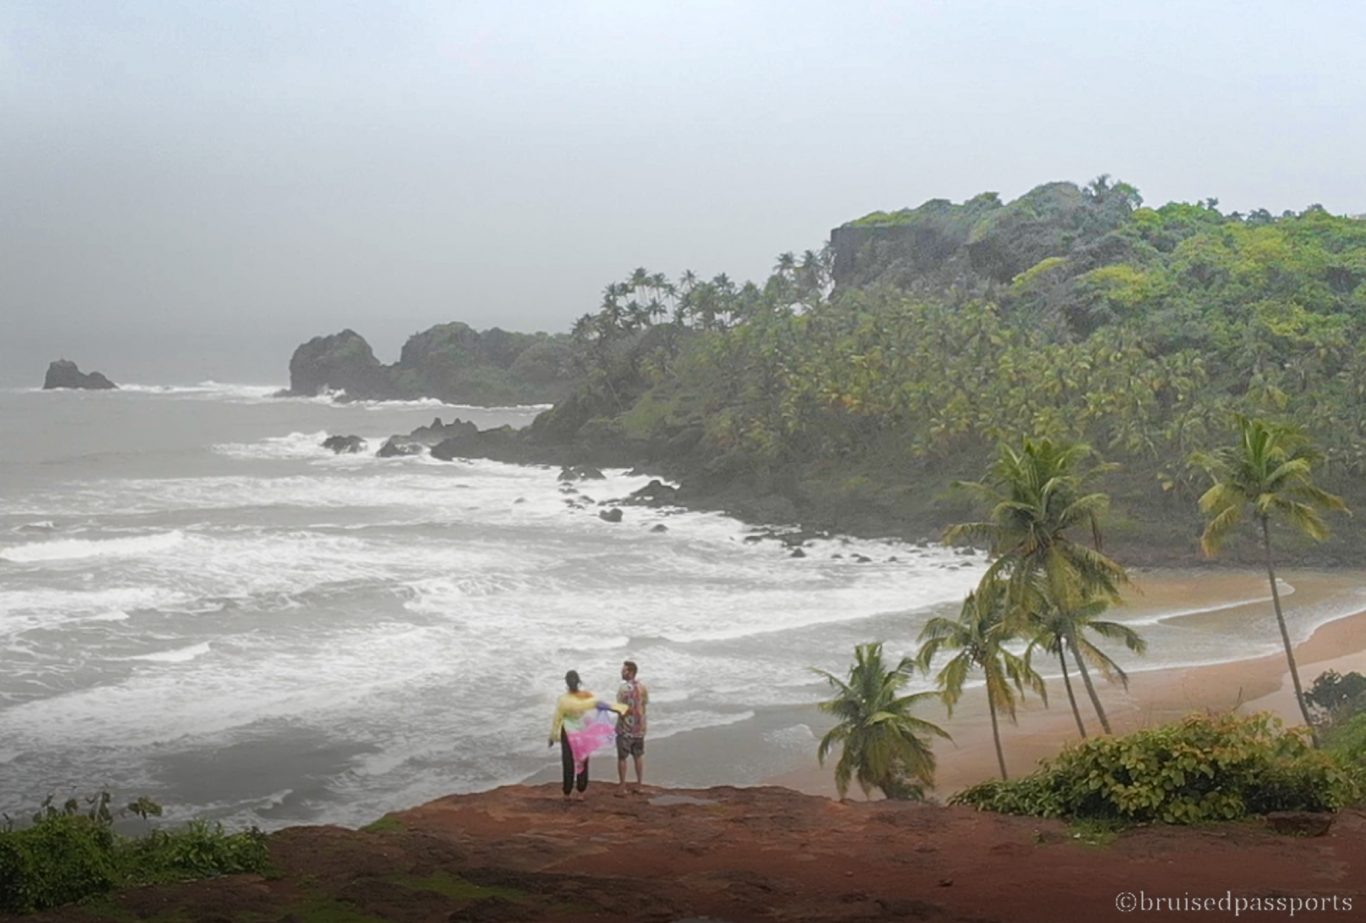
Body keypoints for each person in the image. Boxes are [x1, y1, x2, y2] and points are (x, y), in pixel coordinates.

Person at [549, 670, 624, 800]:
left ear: (569, 682)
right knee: (578, 760)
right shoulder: (581, 696)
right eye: (572, 680)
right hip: (577, 732)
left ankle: (571, 792)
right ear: (576, 682)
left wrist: (553, 736)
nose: (571, 682)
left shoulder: (565, 699)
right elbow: (600, 705)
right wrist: (619, 708)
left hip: (573, 732)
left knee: (571, 761)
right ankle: (577, 792)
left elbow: (557, 718)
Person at [615, 660, 649, 792]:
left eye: (624, 670)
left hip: (625, 728)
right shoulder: (642, 687)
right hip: (639, 728)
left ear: (631, 672)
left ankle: (622, 786)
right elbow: (644, 704)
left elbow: (621, 708)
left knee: (622, 758)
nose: (622, 672)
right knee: (638, 756)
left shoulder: (623, 689)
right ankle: (639, 784)